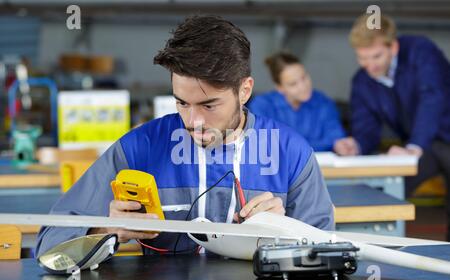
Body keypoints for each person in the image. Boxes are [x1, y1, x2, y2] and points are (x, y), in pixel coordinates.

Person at [36, 15, 334, 257]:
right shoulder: (140, 149)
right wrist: (106, 232)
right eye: (182, 103)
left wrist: (285, 232)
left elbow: (329, 254)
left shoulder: (291, 153)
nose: (193, 121)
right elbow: (49, 244)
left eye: (209, 105)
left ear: (244, 90)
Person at [334, 14, 450, 240]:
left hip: (434, 137)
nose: (370, 65)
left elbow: (432, 97)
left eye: (376, 56)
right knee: (386, 192)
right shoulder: (362, 81)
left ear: (393, 47)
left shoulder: (421, 52)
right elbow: (366, 126)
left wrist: (415, 145)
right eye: (362, 58)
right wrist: (356, 144)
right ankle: (376, 248)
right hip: (423, 145)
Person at [248, 52, 346, 152]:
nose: (303, 87)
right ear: (280, 88)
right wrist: (325, 144)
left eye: (304, 78)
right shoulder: (262, 105)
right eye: (293, 84)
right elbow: (267, 146)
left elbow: (337, 139)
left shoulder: (323, 102)